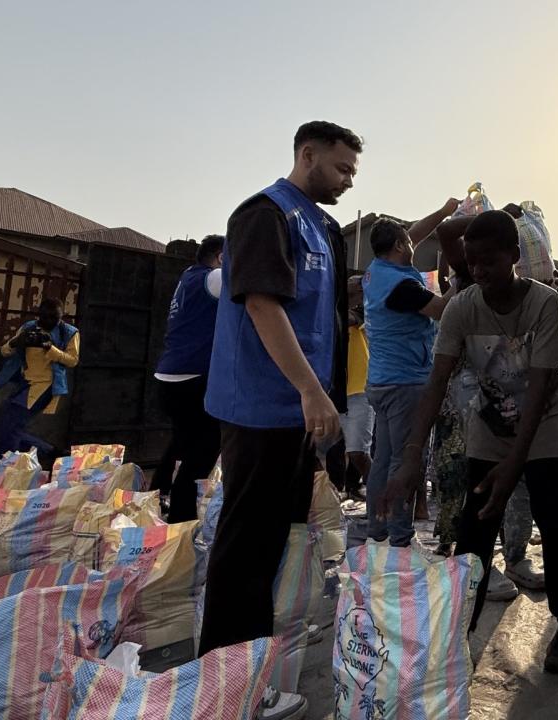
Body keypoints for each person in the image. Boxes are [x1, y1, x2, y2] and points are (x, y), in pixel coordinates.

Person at [381, 209, 558, 674]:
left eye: (489, 261)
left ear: (514, 257)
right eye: (472, 263)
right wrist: (413, 454)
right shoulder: (462, 306)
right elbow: (437, 381)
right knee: (476, 527)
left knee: (554, 517)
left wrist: (516, 464)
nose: (479, 271)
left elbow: (540, 387)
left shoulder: (544, 303)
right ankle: (459, 631)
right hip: (491, 420)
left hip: (545, 419)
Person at [201, 120, 360, 719]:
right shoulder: (264, 215)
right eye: (340, 168)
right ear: (307, 154)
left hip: (302, 412)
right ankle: (227, 686)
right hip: (263, 409)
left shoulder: (322, 227)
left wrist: (327, 403)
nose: (347, 181)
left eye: (353, 173)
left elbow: (326, 322)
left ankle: (260, 653)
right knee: (246, 548)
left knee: (280, 540)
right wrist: (309, 391)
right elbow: (263, 305)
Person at [358, 203, 470, 546]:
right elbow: (443, 310)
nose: (413, 245)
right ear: (398, 247)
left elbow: (415, 234)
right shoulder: (401, 287)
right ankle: (400, 534)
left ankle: (378, 529)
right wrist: (461, 280)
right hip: (405, 382)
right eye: (408, 243)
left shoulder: (375, 271)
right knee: (407, 458)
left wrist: (447, 210)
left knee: (383, 461)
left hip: (382, 380)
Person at [151, 235, 224, 522]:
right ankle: (181, 519)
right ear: (220, 258)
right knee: (203, 451)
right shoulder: (214, 278)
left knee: (181, 440)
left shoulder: (188, 277)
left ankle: (157, 496)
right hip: (192, 377)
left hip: (168, 376)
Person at [0, 298, 80, 467]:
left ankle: (4, 468)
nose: (48, 321)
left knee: (9, 426)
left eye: (54, 318)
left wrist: (50, 348)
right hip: (25, 384)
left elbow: (72, 360)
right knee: (10, 428)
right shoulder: (28, 328)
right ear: (38, 315)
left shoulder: (69, 332)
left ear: (61, 316)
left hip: (46, 386)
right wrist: (17, 342)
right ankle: (50, 452)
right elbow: (5, 351)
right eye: (44, 317)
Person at [338, 275, 372, 501]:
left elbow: (348, 318)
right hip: (335, 390)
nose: (352, 282)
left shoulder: (365, 311)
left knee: (358, 452)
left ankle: (377, 491)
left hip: (360, 390)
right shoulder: (335, 309)